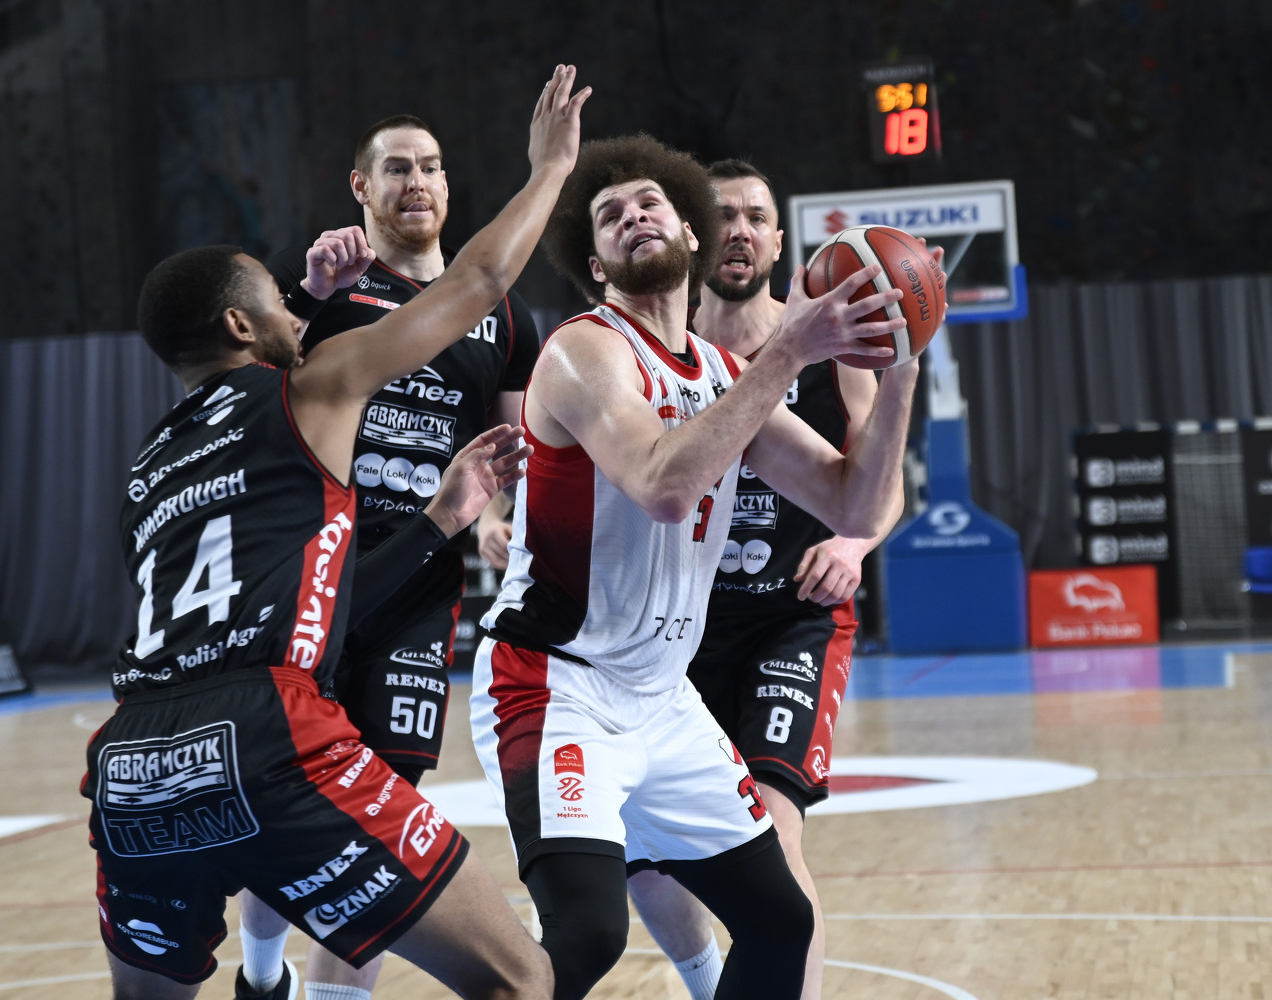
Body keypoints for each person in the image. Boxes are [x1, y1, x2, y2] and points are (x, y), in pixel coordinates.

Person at [80, 64, 588, 1000]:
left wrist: (446, 517)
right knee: (522, 981)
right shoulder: (310, 386)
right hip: (267, 724)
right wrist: (551, 169)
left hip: (131, 757)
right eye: (278, 304)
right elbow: (480, 278)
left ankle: (267, 977)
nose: (295, 310)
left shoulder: (147, 467)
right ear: (242, 325)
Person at [469, 134, 926, 1000]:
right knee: (591, 933)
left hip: (661, 697)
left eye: (649, 202)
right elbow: (665, 487)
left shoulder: (720, 370)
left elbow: (855, 509)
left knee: (781, 921)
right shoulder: (582, 350)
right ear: (597, 267)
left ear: (690, 235)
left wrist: (900, 365)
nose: (631, 215)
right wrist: (788, 353)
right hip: (555, 685)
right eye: (608, 215)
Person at [251, 112, 541, 1000]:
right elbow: (245, 406)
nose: (417, 181)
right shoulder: (320, 282)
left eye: (431, 166)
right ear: (361, 188)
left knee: (383, 804)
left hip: (419, 577)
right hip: (313, 572)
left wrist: (496, 522)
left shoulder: (504, 313)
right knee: (284, 793)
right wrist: (307, 295)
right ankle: (260, 975)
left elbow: (509, 448)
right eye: (397, 167)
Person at [626, 159, 913, 1000]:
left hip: (793, 618)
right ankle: (707, 981)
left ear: (780, 242)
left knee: (773, 833)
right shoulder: (658, 353)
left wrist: (854, 544)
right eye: (724, 216)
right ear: (691, 236)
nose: (740, 231)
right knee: (647, 861)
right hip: (677, 628)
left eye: (756, 217)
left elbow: (880, 481)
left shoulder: (832, 345)